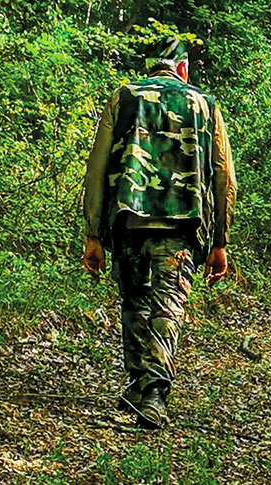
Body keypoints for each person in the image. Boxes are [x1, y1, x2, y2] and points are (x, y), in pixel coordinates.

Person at [80, 36, 236, 429]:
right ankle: (152, 394)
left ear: (150, 67)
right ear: (182, 68)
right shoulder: (204, 104)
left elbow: (96, 169)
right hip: (182, 225)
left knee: (134, 302)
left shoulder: (123, 98)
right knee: (168, 305)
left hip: (129, 222)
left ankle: (138, 385)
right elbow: (224, 178)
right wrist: (220, 241)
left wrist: (93, 232)